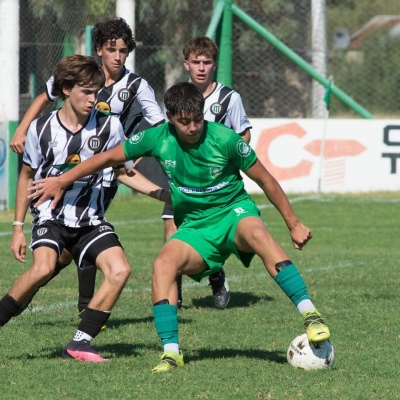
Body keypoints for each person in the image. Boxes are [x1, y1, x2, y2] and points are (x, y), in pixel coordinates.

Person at [30, 82, 331, 371]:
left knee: (257, 233)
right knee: (163, 264)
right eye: (184, 122)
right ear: (170, 118)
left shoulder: (226, 139)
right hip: (196, 227)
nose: (192, 127)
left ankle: (310, 315)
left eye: (197, 119)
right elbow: (106, 158)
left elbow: (265, 179)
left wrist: (293, 223)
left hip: (233, 213)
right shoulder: (157, 137)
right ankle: (171, 353)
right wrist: (62, 179)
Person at [10, 17, 165, 317]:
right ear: (99, 50)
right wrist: (22, 129)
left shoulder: (135, 87)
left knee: (89, 234)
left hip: (103, 178)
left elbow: (154, 132)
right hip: (58, 183)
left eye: (124, 51)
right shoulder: (75, 79)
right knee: (62, 253)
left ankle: (85, 311)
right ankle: (37, 294)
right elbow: (44, 98)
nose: (118, 57)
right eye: (112, 49)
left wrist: (131, 160)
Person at [163, 36, 252, 309]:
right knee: (171, 230)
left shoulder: (228, 98)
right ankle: (173, 296)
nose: (201, 67)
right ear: (186, 64)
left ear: (214, 64)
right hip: (181, 181)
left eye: (207, 62)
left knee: (214, 233)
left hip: (216, 188)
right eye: (196, 62)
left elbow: (244, 134)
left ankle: (216, 274)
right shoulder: (178, 96)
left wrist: (224, 164)